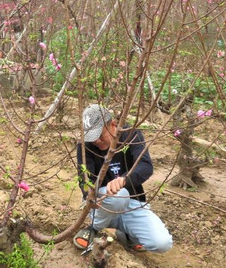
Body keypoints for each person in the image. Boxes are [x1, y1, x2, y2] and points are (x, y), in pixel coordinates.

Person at [74, 104, 173, 253]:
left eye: (100, 135)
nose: (96, 141)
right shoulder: (85, 146)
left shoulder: (132, 136)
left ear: (113, 125)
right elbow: (85, 179)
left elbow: (145, 166)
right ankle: (94, 228)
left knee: (162, 243)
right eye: (92, 138)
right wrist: (91, 195)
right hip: (103, 205)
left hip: (133, 204)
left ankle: (128, 235)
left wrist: (124, 179)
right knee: (119, 196)